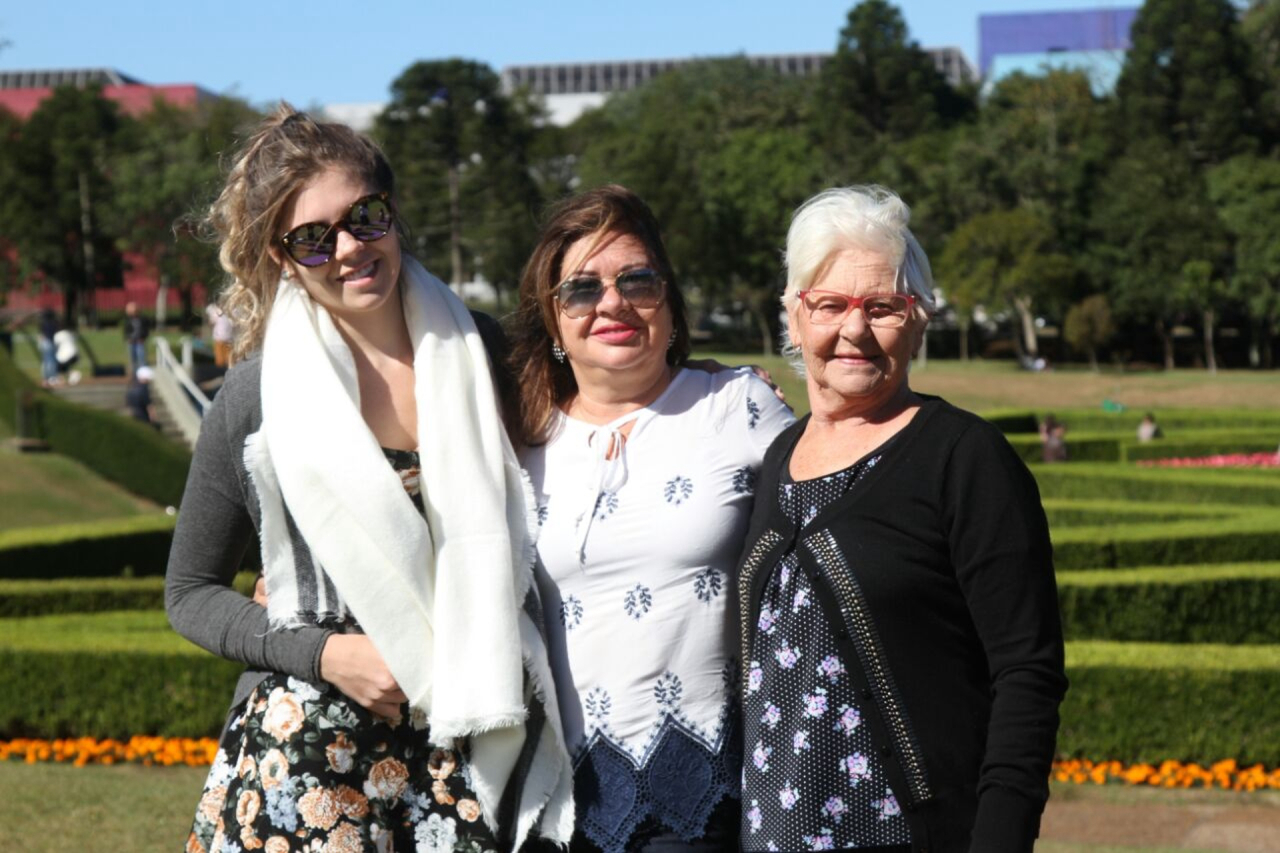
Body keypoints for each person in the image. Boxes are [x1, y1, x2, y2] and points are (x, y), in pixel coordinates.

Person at [165, 106, 573, 853]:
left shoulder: (481, 351)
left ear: (393, 210)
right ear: (282, 258)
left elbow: (604, 400)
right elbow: (188, 592)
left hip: (467, 738)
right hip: (309, 760)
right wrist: (323, 653)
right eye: (314, 239)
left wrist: (705, 382)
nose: (350, 248)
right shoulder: (256, 396)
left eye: (366, 216)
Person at [736, 187, 1067, 853]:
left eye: (881, 306)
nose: (853, 329)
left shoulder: (964, 457)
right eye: (829, 304)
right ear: (794, 318)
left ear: (917, 320)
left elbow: (1026, 672)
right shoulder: (778, 457)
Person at [507, 185, 794, 853]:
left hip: (702, 794)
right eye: (581, 289)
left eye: (637, 280)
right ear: (552, 321)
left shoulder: (736, 404)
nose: (612, 302)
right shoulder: (517, 442)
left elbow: (835, 518)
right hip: (553, 803)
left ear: (669, 299)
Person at [123, 300, 150, 374]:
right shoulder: (128, 320)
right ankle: (134, 373)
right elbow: (126, 331)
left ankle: (143, 372)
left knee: (141, 357)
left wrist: (143, 338)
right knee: (132, 358)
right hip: (131, 341)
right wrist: (128, 338)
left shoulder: (143, 319)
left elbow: (146, 330)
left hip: (140, 341)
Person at [206, 301, 235, 368]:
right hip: (228, 338)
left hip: (221, 338)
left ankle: (221, 370)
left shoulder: (217, 312)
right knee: (228, 358)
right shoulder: (231, 312)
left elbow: (211, 322)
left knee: (221, 358)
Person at [37, 308, 59, 387]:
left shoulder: (43, 323)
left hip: (43, 342)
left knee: (46, 361)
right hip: (49, 342)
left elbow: (41, 334)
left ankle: (45, 379)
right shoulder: (53, 323)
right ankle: (51, 378)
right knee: (51, 361)